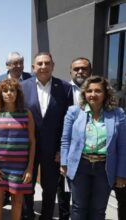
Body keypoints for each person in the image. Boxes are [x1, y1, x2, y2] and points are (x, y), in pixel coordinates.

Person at [60, 76, 126, 219]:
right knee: (78, 208)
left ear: (106, 93)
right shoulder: (74, 111)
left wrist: (121, 173)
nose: (93, 94)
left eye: (98, 91)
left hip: (105, 167)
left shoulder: (118, 114)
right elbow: (65, 140)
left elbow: (122, 146)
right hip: (80, 166)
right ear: (84, 93)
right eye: (89, 91)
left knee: (98, 210)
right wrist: (64, 163)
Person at [21, 52, 73, 220]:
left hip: (53, 148)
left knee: (50, 188)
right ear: (33, 67)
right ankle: (28, 215)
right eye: (40, 63)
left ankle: (46, 217)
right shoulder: (22, 87)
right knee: (26, 185)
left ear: (53, 66)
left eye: (47, 63)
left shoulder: (64, 88)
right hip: (28, 147)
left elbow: (68, 121)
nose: (43, 66)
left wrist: (62, 150)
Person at [0, 79, 35, 220]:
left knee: (17, 201)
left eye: (12, 90)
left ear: (17, 93)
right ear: (0, 94)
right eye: (5, 91)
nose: (9, 93)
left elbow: (32, 142)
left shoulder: (26, 114)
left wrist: (29, 168)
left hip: (20, 167)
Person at [57, 57, 93, 220]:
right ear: (70, 72)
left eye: (84, 68)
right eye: (76, 69)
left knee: (86, 190)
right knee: (64, 189)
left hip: (91, 149)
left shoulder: (96, 90)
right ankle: (65, 216)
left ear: (90, 71)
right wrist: (59, 149)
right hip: (66, 147)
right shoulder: (61, 89)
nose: (80, 71)